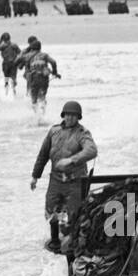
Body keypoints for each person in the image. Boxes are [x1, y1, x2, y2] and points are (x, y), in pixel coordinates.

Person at [29, 101, 96, 252]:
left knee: (71, 217)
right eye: (67, 114)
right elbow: (43, 155)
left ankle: (71, 245)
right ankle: (54, 240)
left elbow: (92, 150)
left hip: (75, 182)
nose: (70, 118)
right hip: (56, 180)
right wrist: (35, 176)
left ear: (78, 117)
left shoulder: (82, 133)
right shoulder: (54, 132)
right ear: (63, 115)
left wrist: (71, 160)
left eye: (73, 115)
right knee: (51, 211)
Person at [16, 36, 59, 120]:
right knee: (42, 96)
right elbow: (53, 62)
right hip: (44, 79)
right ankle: (43, 114)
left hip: (32, 79)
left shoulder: (27, 55)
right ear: (40, 47)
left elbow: (18, 61)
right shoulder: (44, 55)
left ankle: (37, 117)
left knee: (33, 98)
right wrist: (54, 72)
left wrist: (17, 64)